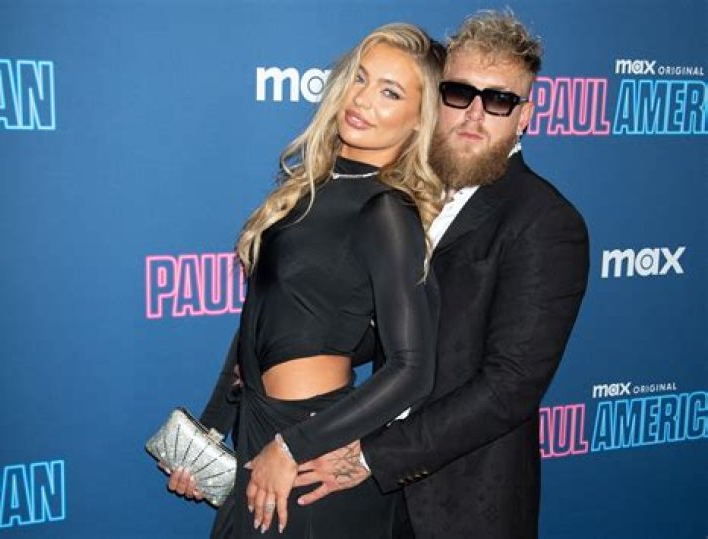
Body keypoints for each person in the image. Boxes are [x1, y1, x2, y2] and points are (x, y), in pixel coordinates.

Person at [292, 10, 590, 539]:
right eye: (459, 92)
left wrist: (370, 458)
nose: (475, 114)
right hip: (372, 494)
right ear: (437, 98)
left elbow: (508, 388)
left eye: (499, 100)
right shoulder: (405, 196)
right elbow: (382, 330)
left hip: (461, 507)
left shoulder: (545, 222)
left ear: (525, 115)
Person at [164, 23, 446, 538]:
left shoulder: (386, 211)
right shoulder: (308, 189)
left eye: (390, 93)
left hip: (309, 445)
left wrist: (294, 446)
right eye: (360, 78)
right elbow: (257, 322)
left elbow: (412, 369)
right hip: (259, 429)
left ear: (417, 121)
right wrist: (209, 432)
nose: (363, 99)